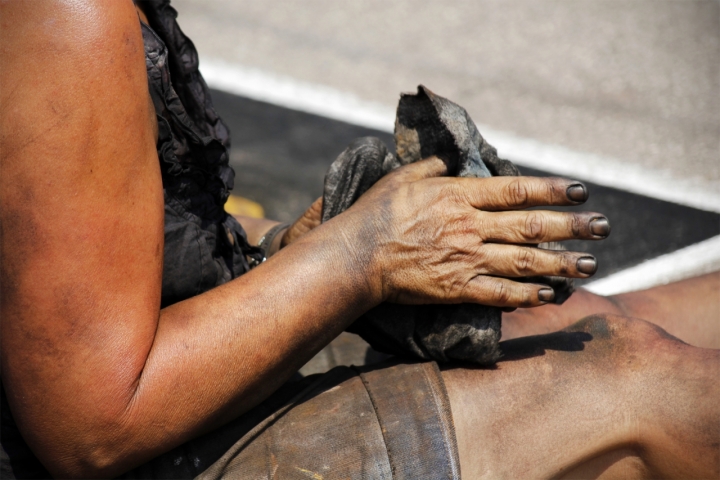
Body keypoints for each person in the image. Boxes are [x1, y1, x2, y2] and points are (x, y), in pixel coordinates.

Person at [0, 1, 717, 478]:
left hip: (154, 372)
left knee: (596, 326)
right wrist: (359, 254)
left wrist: (287, 247)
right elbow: (92, 428)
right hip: (139, 452)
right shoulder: (67, 20)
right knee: (640, 383)